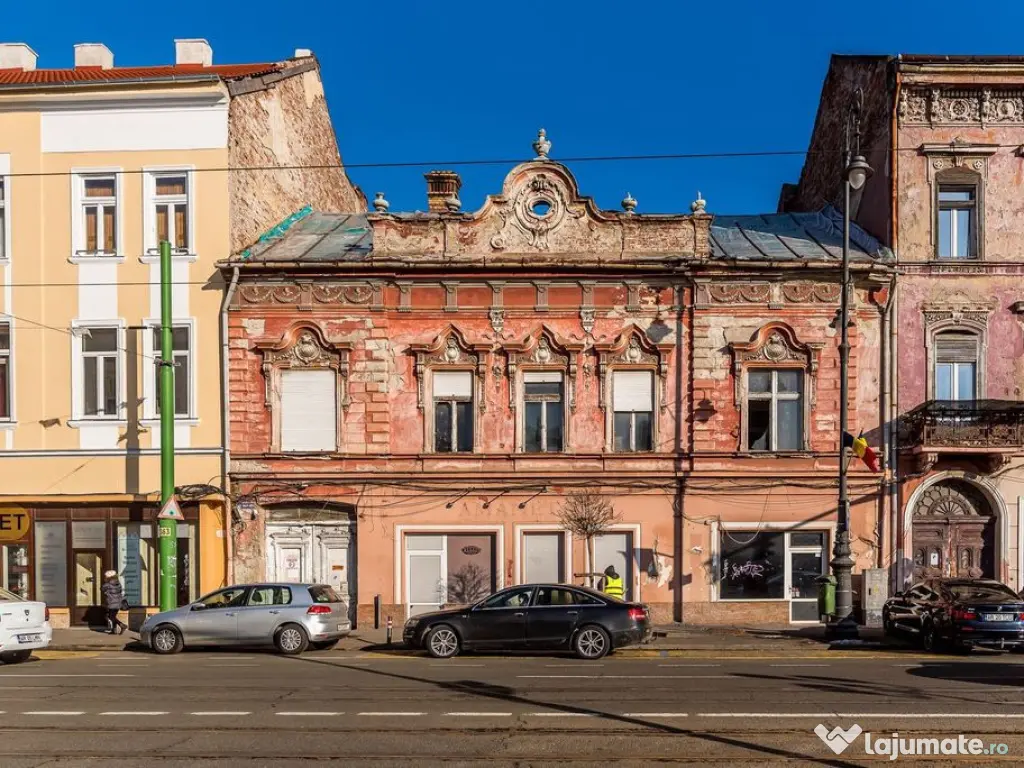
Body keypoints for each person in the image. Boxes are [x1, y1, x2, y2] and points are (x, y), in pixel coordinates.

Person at [101, 570, 128, 635]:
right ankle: (114, 631)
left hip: (112, 603)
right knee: (113, 616)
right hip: (118, 603)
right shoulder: (118, 583)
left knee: (111, 617)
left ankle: (122, 625)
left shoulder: (108, 584)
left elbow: (102, 588)